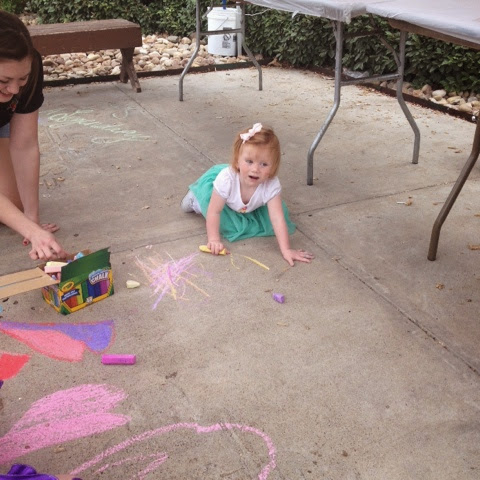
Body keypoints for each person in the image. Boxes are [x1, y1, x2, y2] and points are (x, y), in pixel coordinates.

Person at [181, 123, 314, 266]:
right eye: (249, 161)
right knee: (213, 214)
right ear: (237, 161)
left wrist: (286, 249)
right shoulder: (226, 180)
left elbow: (277, 218)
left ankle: (240, 206)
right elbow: (214, 211)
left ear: (273, 167)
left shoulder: (271, 184)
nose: (255, 169)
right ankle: (195, 198)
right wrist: (214, 240)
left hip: (246, 207)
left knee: (263, 221)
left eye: (264, 164)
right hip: (221, 200)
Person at [0, 10, 66, 260]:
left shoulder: (30, 64)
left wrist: (32, 220)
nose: (14, 89)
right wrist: (32, 232)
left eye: (22, 79)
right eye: (4, 80)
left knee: (13, 207)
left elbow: (25, 145)